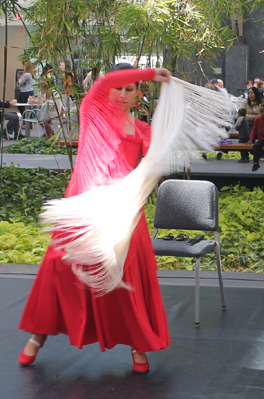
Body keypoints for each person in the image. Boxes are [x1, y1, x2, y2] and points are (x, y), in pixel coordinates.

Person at [18, 64, 172, 373]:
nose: (123, 93)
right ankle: (38, 336)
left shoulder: (141, 128)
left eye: (130, 89)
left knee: (126, 276)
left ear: (137, 95)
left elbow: (154, 158)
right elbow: (106, 80)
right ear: (108, 90)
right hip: (82, 208)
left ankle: (138, 345)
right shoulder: (91, 112)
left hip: (123, 213)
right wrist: (151, 72)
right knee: (59, 270)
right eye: (120, 87)